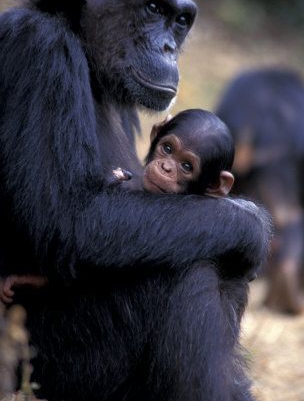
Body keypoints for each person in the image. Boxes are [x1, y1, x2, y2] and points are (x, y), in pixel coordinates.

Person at [0, 109, 238, 303]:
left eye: (186, 167)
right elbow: (92, 243)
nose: (166, 167)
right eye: (167, 148)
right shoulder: (124, 178)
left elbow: (112, 261)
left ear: (215, 185)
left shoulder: (191, 228)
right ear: (156, 134)